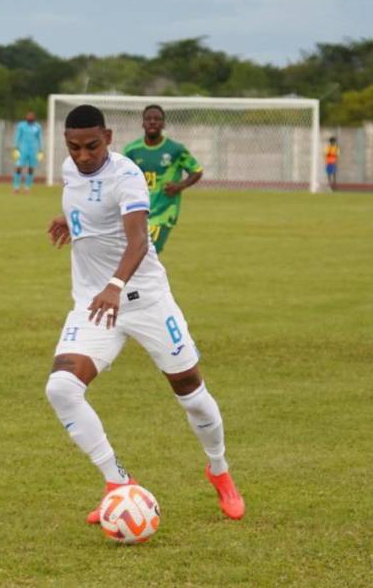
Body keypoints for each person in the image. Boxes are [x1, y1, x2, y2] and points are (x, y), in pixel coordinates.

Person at [44, 105, 244, 524]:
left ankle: (219, 471)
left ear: (110, 137)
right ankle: (117, 482)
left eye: (92, 146)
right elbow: (91, 206)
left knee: (191, 393)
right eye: (74, 146)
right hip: (93, 305)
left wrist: (114, 287)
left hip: (146, 299)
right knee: (61, 388)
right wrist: (71, 220)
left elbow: (138, 241)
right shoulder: (68, 169)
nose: (82, 155)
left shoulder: (127, 175)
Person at [123, 105, 203, 254]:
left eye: (157, 119)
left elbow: (196, 171)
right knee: (135, 254)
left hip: (164, 212)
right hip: (137, 211)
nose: (153, 122)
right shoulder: (131, 150)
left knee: (146, 252)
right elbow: (121, 177)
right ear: (143, 123)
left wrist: (180, 185)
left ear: (164, 124)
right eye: (148, 119)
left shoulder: (175, 150)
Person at [12, 111, 44, 194]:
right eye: (28, 116)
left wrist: (41, 149)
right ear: (26, 117)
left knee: (31, 168)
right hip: (22, 149)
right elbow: (17, 136)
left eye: (31, 116)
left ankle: (27, 187)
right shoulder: (21, 126)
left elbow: (40, 138)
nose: (30, 117)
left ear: (34, 117)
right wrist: (16, 147)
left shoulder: (37, 127)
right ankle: (16, 187)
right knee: (19, 167)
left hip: (33, 150)